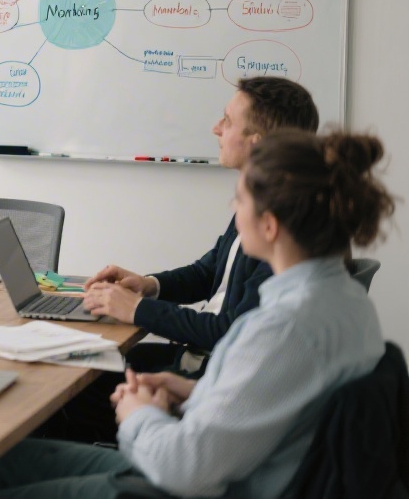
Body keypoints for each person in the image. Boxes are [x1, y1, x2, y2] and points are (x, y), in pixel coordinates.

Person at [0, 128, 393, 498]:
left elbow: (185, 469)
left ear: (270, 225)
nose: (234, 210)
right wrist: (192, 392)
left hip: (195, 487)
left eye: (239, 199)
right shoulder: (344, 301)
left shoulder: (283, 327)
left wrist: (138, 415)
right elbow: (280, 404)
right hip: (233, 469)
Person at [38, 77, 320, 443]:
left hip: (208, 375)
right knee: (75, 370)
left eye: (228, 121)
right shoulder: (259, 199)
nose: (215, 128)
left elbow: (229, 331)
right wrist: (148, 285)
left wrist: (137, 309)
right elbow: (208, 272)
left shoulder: (282, 232)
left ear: (259, 143)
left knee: (64, 394)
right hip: (200, 364)